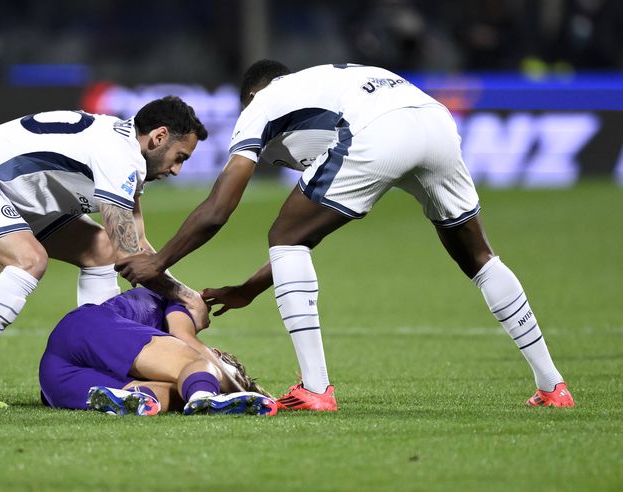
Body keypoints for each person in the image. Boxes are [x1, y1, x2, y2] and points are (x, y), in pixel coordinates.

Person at [116, 61, 575, 411]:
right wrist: (250, 288)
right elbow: (315, 232)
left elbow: (219, 209)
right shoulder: (330, 87)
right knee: (479, 258)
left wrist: (158, 262)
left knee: (284, 235)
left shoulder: (262, 104)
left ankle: (315, 389)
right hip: (434, 120)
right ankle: (552, 385)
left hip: (378, 129)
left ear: (252, 96)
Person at [0, 96, 211, 409]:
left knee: (101, 250)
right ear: (158, 137)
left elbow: (137, 247)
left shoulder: (126, 154)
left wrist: (184, 294)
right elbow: (130, 255)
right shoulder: (118, 156)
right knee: (29, 259)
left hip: (20, 197)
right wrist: (184, 297)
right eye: (179, 157)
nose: (178, 170)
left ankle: (94, 362)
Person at [40, 287, 276, 416]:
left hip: (55, 378)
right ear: (216, 353)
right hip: (89, 327)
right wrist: (238, 391)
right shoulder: (179, 298)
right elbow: (186, 339)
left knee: (163, 396)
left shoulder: (155, 360)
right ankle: (204, 399)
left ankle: (129, 399)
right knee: (193, 362)